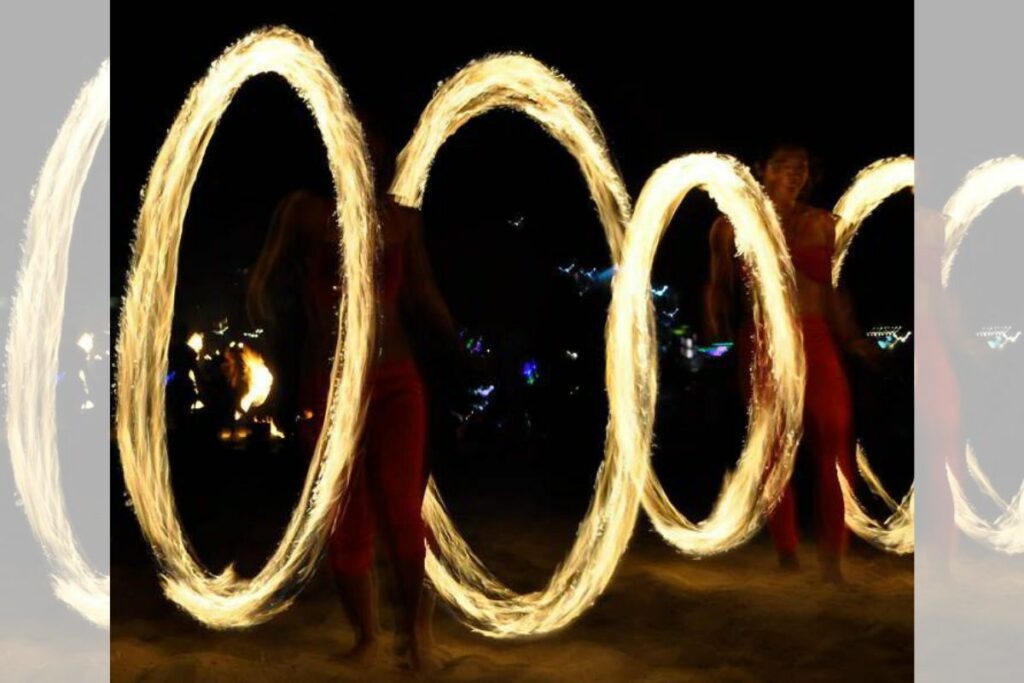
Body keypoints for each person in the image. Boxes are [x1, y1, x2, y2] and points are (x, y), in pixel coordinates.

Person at [704, 142, 879, 582]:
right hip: (761, 340)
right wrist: (713, 321)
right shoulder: (730, 227)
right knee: (774, 447)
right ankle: (787, 551)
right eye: (784, 165)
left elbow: (832, 292)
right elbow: (720, 287)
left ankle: (833, 557)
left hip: (815, 337)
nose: (795, 173)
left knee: (835, 435)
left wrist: (854, 338)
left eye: (802, 166)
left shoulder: (823, 224)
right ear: (762, 169)